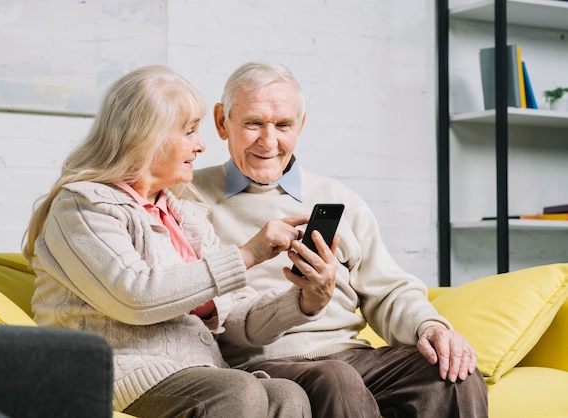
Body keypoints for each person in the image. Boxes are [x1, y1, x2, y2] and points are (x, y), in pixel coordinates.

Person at [22, 65, 333, 418]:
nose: (201, 145)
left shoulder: (186, 215)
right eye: (189, 132)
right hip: (112, 373)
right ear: (145, 138)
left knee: (286, 396)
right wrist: (247, 254)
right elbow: (135, 296)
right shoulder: (81, 208)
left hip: (197, 373)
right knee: (240, 392)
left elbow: (238, 320)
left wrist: (306, 300)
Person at [188, 61, 489, 418]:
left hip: (353, 356)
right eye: (253, 123)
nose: (269, 141)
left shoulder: (338, 197)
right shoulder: (187, 197)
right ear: (223, 122)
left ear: (300, 125)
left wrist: (431, 327)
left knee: (453, 376)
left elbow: (389, 290)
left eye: (283, 125)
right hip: (263, 365)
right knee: (336, 378)